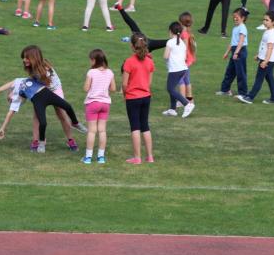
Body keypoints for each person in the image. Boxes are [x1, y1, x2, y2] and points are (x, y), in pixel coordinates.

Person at [237, 10, 274, 104]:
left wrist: (265, 61)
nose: (264, 22)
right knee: (269, 78)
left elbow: (270, 48)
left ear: (273, 22)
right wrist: (259, 55)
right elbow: (264, 46)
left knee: (259, 78)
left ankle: (250, 97)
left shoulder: (271, 33)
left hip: (268, 60)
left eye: (267, 20)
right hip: (268, 59)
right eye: (264, 19)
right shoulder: (268, 30)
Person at [123, 33, 155, 164]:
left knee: (135, 127)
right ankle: (150, 156)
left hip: (133, 98)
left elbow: (125, 84)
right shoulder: (150, 62)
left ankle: (137, 157)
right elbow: (149, 83)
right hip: (146, 97)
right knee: (145, 126)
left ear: (132, 46)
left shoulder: (129, 62)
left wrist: (126, 94)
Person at [82, 49, 116, 164]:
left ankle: (88, 157)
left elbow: (86, 89)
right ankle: (101, 157)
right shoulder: (110, 72)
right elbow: (113, 89)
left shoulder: (91, 72)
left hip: (92, 103)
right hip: (105, 104)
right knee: (102, 131)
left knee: (92, 131)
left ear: (94, 60)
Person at [162, 22, 196, 117]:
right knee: (172, 88)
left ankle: (187, 104)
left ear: (170, 31)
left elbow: (165, 56)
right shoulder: (181, 43)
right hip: (183, 69)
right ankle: (172, 109)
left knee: (170, 88)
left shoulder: (170, 42)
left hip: (175, 70)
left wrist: (166, 59)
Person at [216, 8, 249, 97]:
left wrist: (236, 53)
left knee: (240, 73)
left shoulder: (242, 27)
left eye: (237, 17)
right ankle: (225, 90)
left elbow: (241, 42)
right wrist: (227, 52)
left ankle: (243, 93)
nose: (235, 19)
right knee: (230, 71)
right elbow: (233, 42)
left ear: (243, 18)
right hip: (235, 51)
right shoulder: (235, 28)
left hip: (240, 52)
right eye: (234, 17)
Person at [178, 12, 197, 107]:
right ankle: (190, 99)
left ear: (181, 23)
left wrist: (182, 58)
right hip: (188, 60)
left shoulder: (184, 34)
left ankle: (182, 101)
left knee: (180, 80)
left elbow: (185, 46)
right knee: (187, 80)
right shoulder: (189, 33)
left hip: (184, 60)